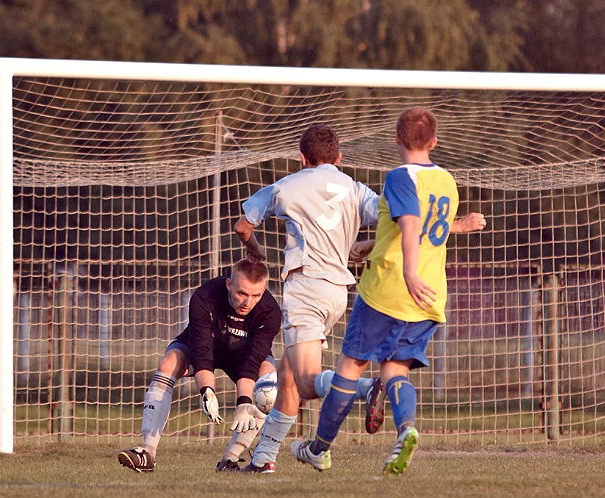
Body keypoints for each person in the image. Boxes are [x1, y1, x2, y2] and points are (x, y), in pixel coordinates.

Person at [290, 107, 487, 474]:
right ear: (434, 141)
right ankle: (406, 430)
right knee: (395, 371)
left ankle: (319, 448)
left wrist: (408, 273)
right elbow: (426, 227)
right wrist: (374, 244)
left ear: (396, 138)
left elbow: (410, 224)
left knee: (350, 367)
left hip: (390, 289)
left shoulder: (399, 176)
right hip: (430, 296)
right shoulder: (446, 180)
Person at [233, 123, 382, 473]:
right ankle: (262, 460)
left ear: (302, 157)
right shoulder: (356, 189)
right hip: (338, 292)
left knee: (305, 381)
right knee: (287, 377)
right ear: (338, 157)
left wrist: (255, 250)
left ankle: (367, 388)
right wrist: (370, 245)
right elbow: (393, 219)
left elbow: (243, 226)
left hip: (306, 289)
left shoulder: (287, 186)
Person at [117, 258, 281, 473]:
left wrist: (244, 402)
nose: (247, 302)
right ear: (229, 284)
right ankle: (147, 453)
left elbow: (251, 361)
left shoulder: (271, 312)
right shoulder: (205, 296)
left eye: (256, 295)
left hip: (243, 356)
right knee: (168, 363)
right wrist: (207, 391)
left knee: (268, 382)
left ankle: (230, 459)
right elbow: (201, 352)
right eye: (242, 293)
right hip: (206, 346)